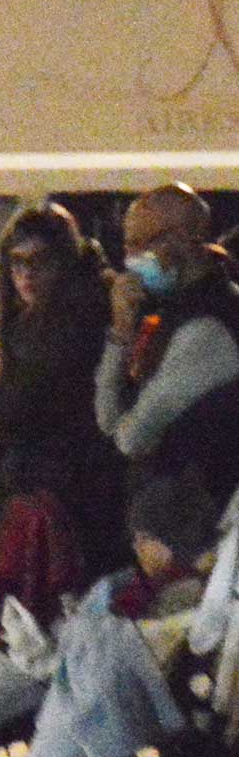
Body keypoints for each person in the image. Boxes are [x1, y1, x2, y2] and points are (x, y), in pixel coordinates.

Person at [0, 207, 122, 619]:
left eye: (39, 261)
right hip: (47, 491)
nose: (26, 274)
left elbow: (21, 408)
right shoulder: (32, 325)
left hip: (64, 496)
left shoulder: (73, 322)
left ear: (64, 262)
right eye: (16, 263)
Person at [96, 185, 239, 517]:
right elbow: (108, 420)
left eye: (137, 243)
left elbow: (132, 437)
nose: (129, 257)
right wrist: (120, 333)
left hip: (199, 522)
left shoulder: (209, 324)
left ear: (178, 240)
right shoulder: (164, 314)